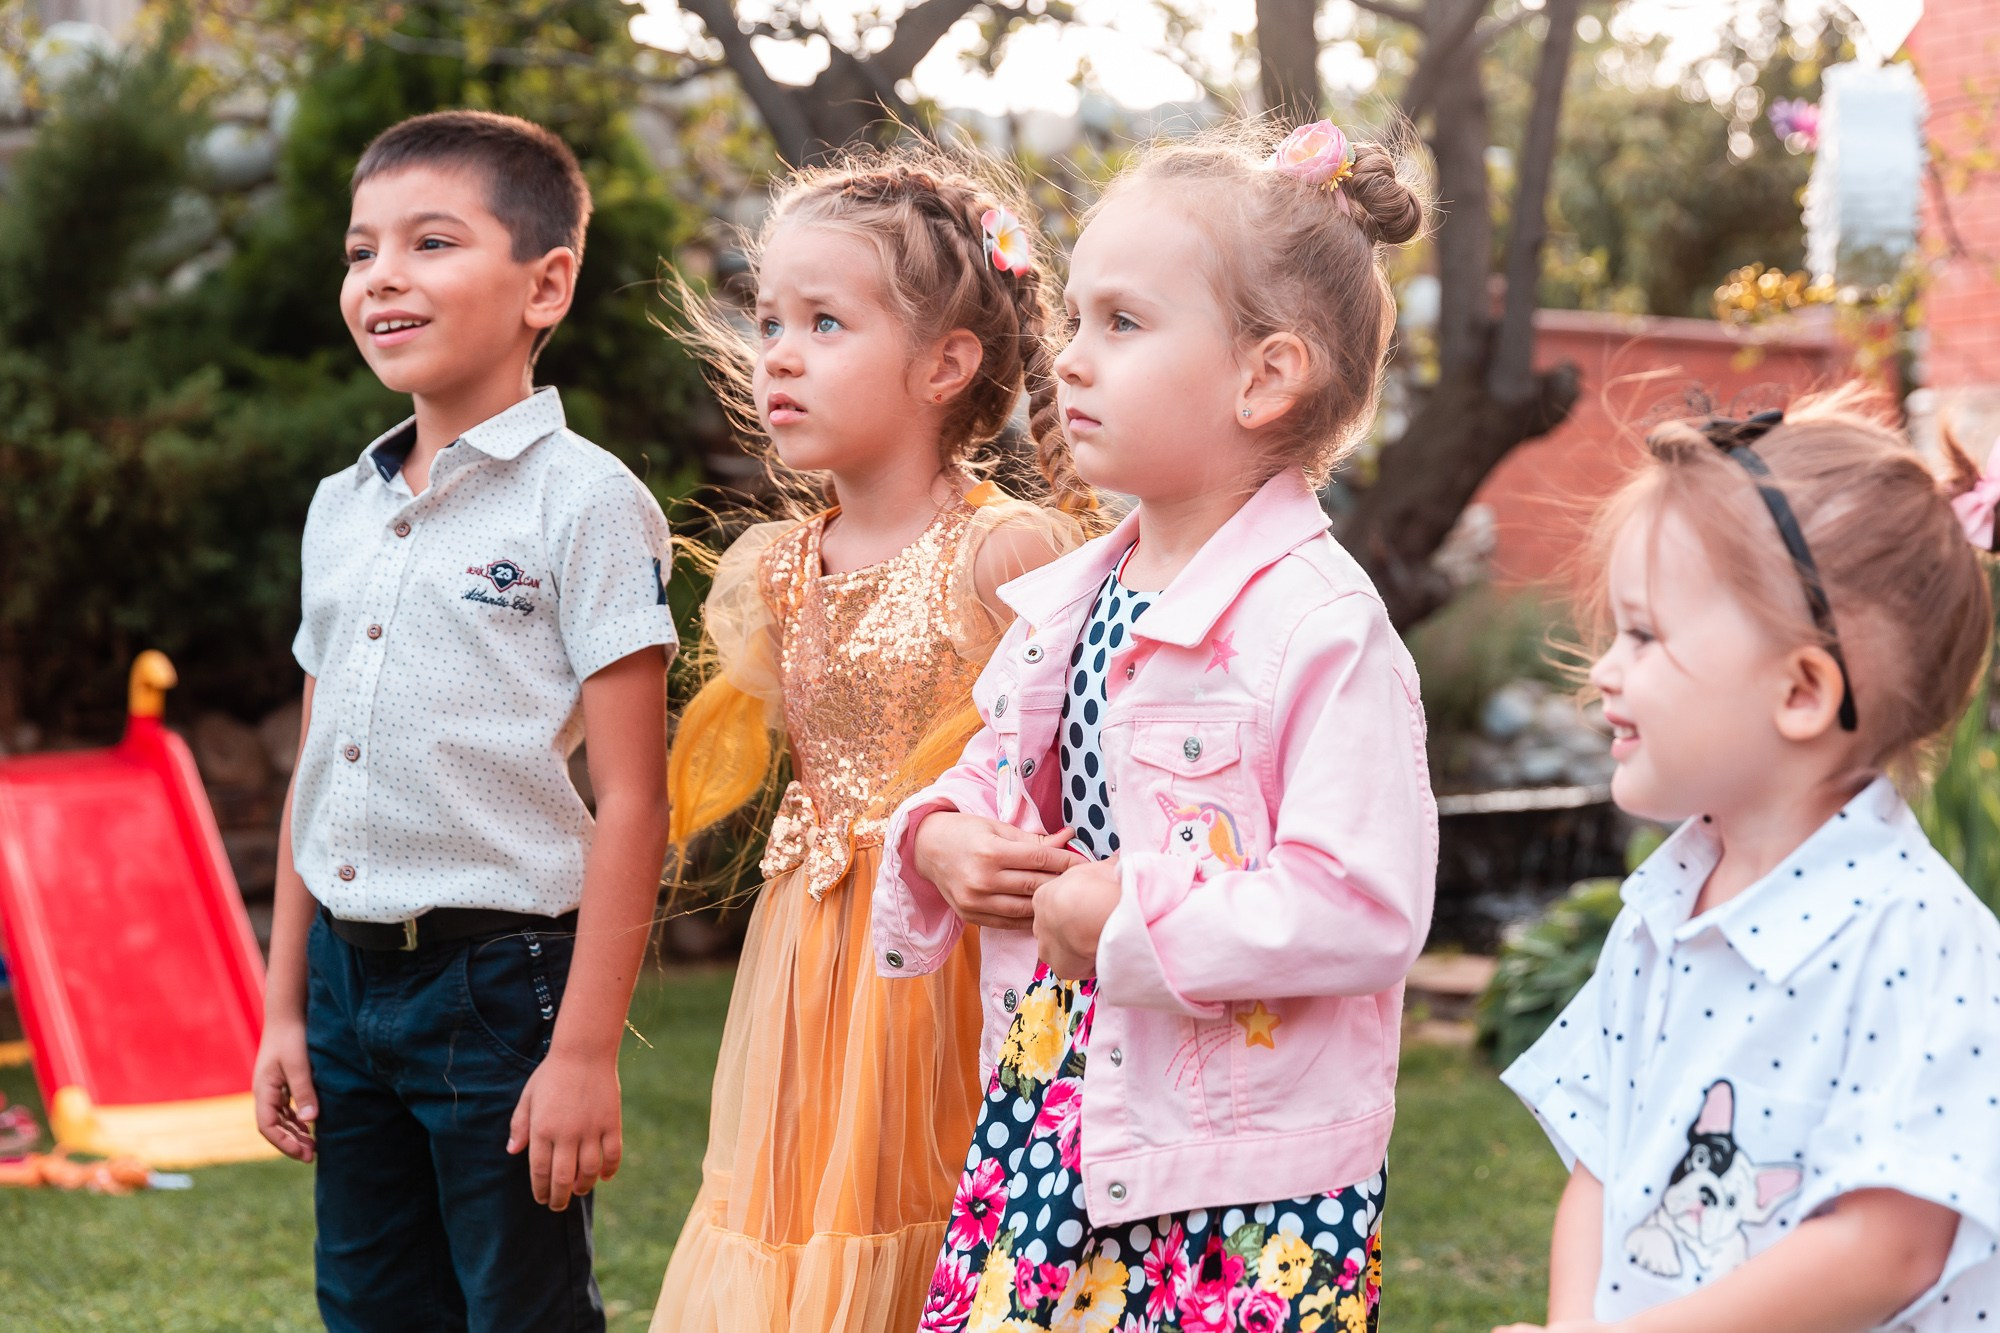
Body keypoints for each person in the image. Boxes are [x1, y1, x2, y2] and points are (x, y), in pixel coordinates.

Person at [876, 120, 1437, 1332]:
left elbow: (1362, 904)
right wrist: (943, 838)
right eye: (1072, 319)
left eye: (1121, 325)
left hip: (1229, 1171)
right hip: (1049, 1100)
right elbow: (999, 770)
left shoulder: (1319, 628)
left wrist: (1128, 912)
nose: (1068, 360)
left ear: (1263, 376)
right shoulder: (1078, 594)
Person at [249, 110, 676, 1332]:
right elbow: (314, 777)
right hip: (345, 976)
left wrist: (584, 1051)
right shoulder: (339, 506)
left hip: (501, 982)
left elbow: (634, 797)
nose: (381, 274)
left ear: (545, 284)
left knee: (520, 1310)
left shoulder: (586, 503)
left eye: (429, 242)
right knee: (370, 1303)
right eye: (360, 249)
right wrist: (286, 1007)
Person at [651, 145, 1089, 1331]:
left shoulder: (1005, 554)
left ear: (946, 364)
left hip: (941, 954)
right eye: (768, 320)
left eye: (825, 322)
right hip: (809, 944)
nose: (777, 354)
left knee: (924, 1201)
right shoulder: (779, 570)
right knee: (797, 1207)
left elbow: (1052, 778)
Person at [1494, 394, 2000, 1333]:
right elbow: (1600, 1164)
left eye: (1643, 635)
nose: (1605, 668)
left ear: (1801, 690)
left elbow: (1886, 1247)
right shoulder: (1663, 909)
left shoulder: (1918, 941)